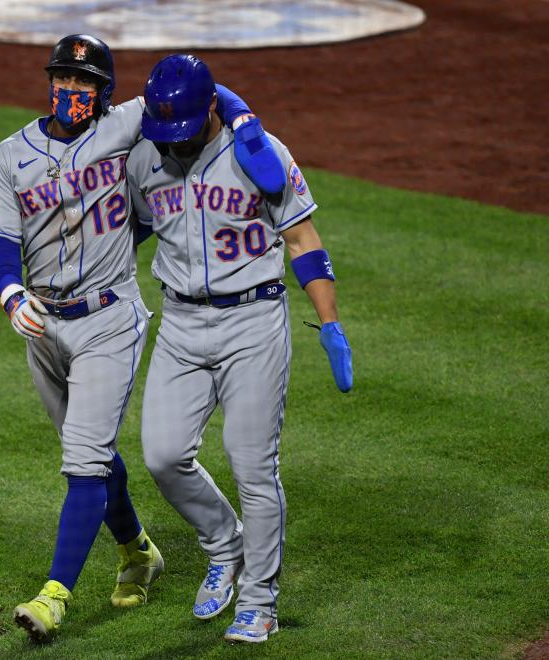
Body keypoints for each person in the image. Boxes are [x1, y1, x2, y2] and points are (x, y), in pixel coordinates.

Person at [0, 35, 286, 642]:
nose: (71, 91)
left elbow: (203, 93)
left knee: (84, 458)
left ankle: (54, 596)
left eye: (83, 83)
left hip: (110, 317)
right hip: (43, 322)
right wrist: (11, 291)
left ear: (105, 93)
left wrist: (246, 118)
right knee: (86, 447)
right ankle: (139, 551)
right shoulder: (10, 153)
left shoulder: (126, 124)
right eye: (63, 80)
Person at [125, 54, 353, 644]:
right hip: (179, 322)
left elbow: (302, 237)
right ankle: (224, 548)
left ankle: (260, 600)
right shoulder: (146, 155)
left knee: (253, 466)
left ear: (209, 112)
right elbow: (140, 227)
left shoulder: (260, 153)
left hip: (253, 319)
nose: (172, 143)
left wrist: (329, 324)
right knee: (162, 456)